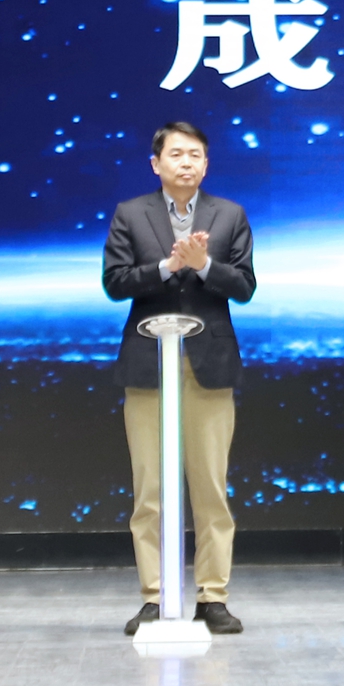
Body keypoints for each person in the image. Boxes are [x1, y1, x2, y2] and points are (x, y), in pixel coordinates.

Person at [101, 122, 256, 636]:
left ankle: (213, 596)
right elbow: (115, 282)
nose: (186, 162)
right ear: (156, 163)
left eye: (195, 155)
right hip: (148, 364)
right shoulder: (130, 213)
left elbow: (245, 286)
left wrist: (204, 264)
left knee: (211, 488)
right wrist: (167, 267)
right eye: (176, 154)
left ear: (206, 164)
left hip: (209, 365)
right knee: (149, 489)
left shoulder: (229, 214)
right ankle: (155, 595)